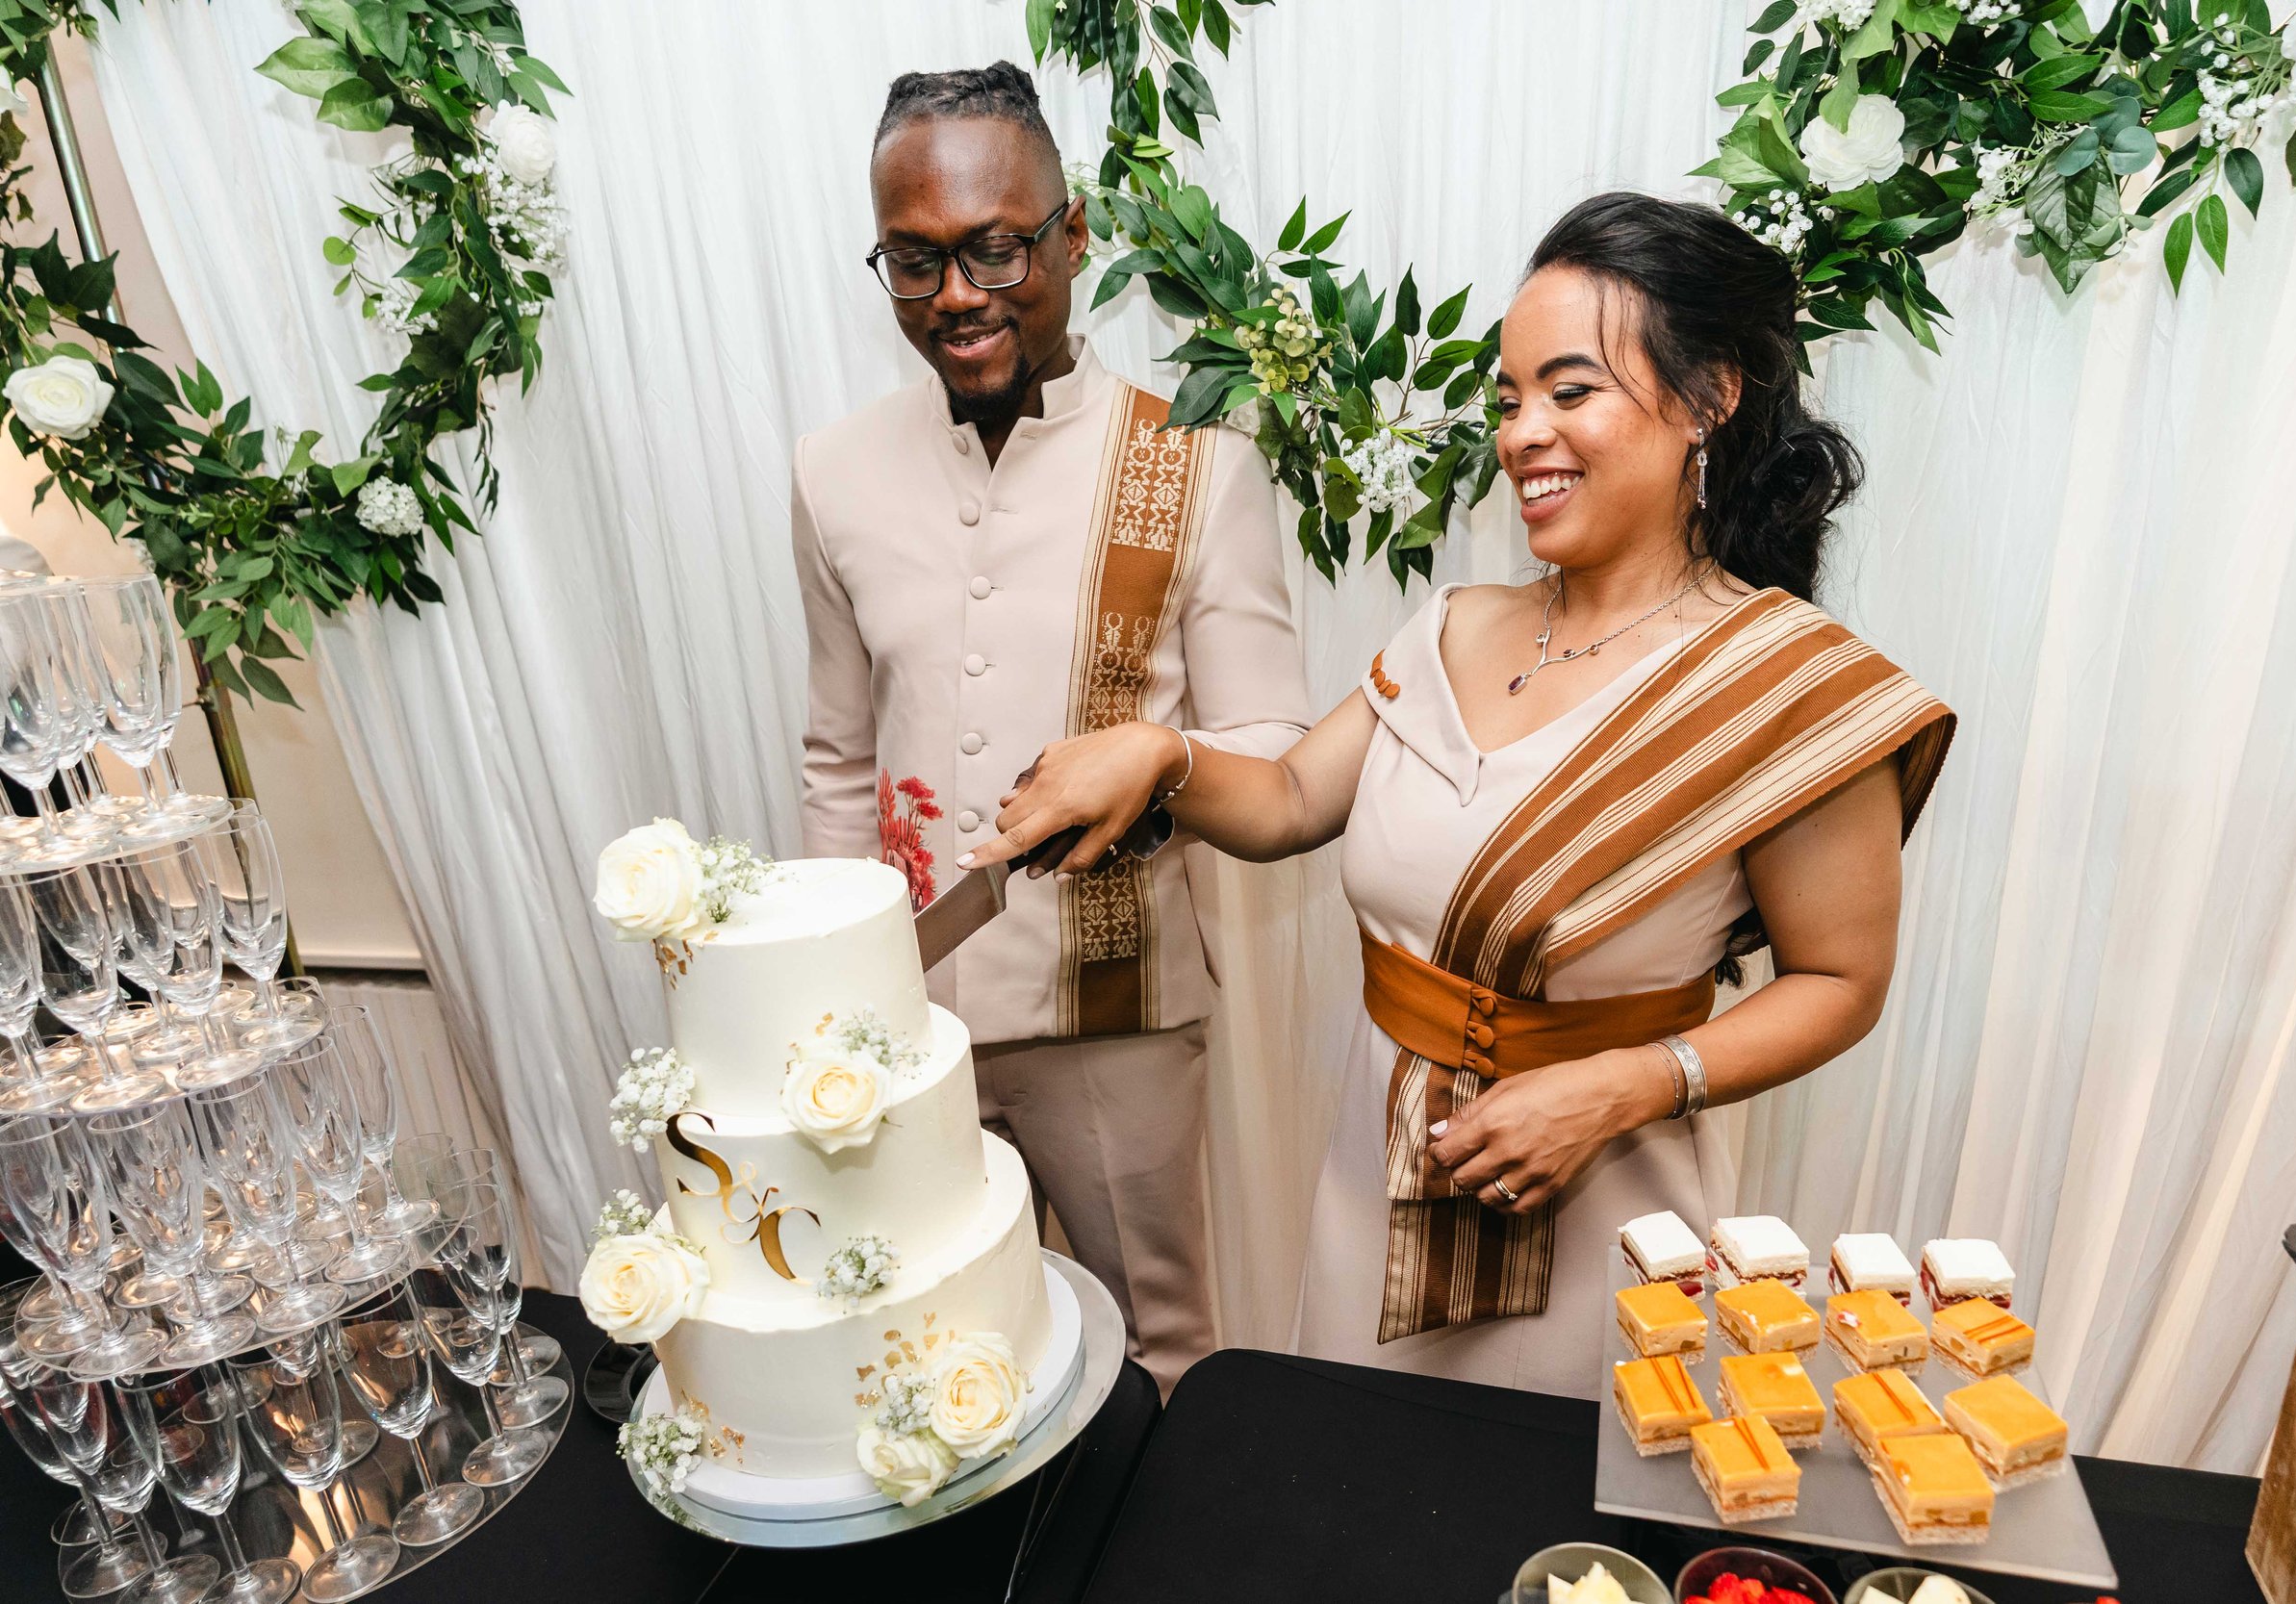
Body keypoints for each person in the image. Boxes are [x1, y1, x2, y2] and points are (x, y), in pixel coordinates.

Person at [963, 191, 1955, 1396]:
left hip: (1606, 1203)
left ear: (1708, 398)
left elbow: (1840, 981)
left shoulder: (1786, 688)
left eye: (1570, 389)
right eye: (1507, 397)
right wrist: (1159, 755)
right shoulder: (1457, 624)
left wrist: (1625, 1083)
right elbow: (1281, 798)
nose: (1523, 431)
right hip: (1372, 1172)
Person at [792, 63, 1312, 1395]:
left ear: (1072, 237)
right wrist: (841, 1000)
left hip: (1119, 1015)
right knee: (940, 1343)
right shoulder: (833, 471)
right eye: (915, 262)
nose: (957, 294)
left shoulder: (1198, 460)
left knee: (1162, 1346)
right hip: (907, 1029)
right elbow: (841, 758)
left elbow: (1274, 750)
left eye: (995, 248)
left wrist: (1161, 765)